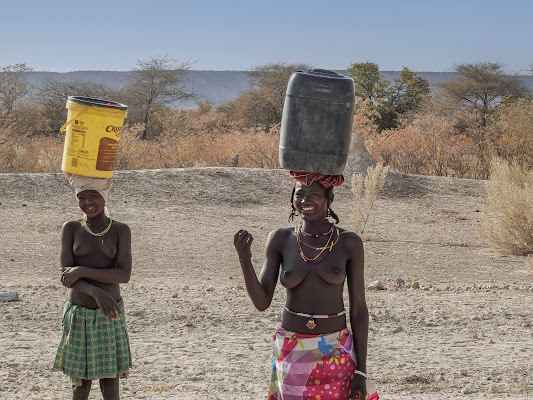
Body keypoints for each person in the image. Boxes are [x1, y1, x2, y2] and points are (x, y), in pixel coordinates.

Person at [234, 172, 378, 400]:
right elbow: (262, 302)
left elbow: (359, 310)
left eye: (314, 194)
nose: (304, 200)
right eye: (299, 194)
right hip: (291, 351)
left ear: (329, 199)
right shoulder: (280, 239)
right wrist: (244, 259)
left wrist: (361, 371)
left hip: (336, 351)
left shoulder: (349, 243)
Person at [54, 174, 132, 400]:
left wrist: (83, 270)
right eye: (82, 197)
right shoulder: (71, 228)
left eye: (94, 195)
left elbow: (124, 274)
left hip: (109, 313)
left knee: (110, 383)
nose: (88, 202)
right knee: (80, 385)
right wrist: (96, 292)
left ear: (104, 197)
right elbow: (66, 275)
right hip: (79, 313)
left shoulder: (120, 230)